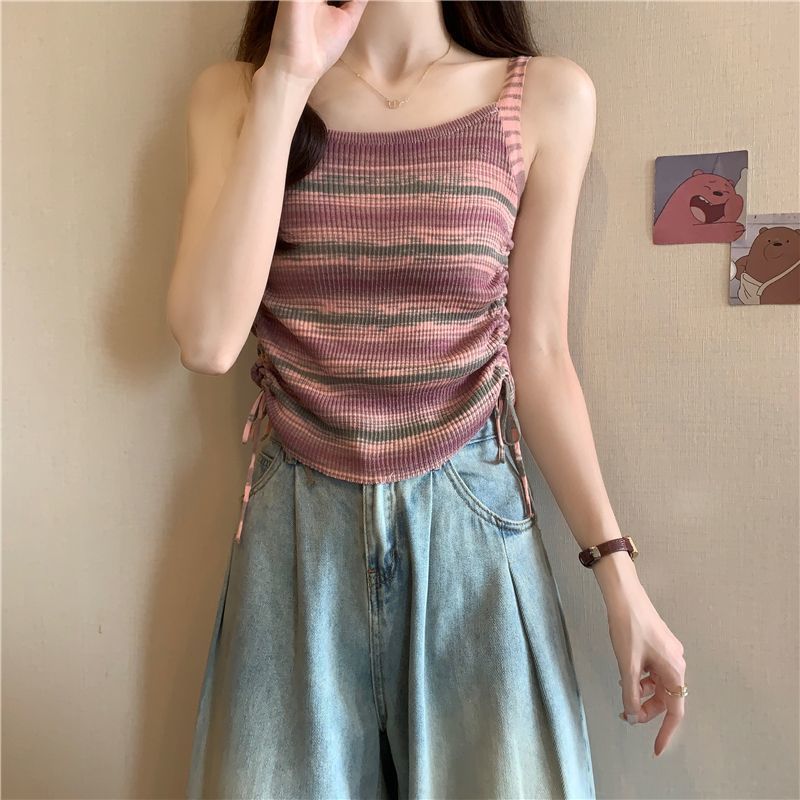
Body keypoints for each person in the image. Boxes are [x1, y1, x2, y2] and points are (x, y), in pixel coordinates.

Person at [166, 1, 688, 797]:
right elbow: (207, 342)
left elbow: (540, 354)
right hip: (295, 537)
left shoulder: (543, 98)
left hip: (473, 534)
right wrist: (288, 79)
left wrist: (619, 577)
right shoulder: (237, 95)